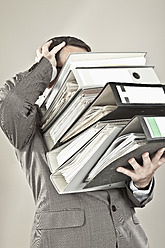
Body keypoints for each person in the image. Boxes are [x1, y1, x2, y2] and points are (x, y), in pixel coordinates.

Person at [0, 36, 165, 248]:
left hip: (130, 239)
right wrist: (42, 68)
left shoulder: (108, 111)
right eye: (66, 66)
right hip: (66, 241)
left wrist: (142, 183)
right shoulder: (28, 123)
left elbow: (135, 198)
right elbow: (9, 104)